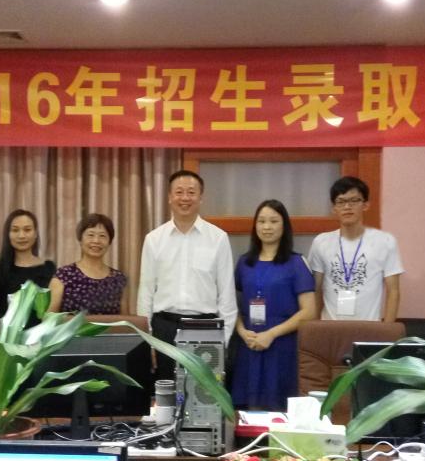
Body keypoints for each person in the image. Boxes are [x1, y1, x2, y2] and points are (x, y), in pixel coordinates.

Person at [136, 169, 238, 381]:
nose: (185, 198)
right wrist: (148, 340)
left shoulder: (218, 238)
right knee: (167, 394)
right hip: (164, 328)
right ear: (169, 197)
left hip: (206, 327)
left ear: (201, 197)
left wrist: (223, 340)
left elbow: (227, 296)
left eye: (191, 192)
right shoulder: (154, 239)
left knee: (202, 396)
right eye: (179, 192)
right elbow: (145, 293)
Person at [232, 200, 316, 410]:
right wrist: (241, 331)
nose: (267, 227)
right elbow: (231, 304)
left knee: (279, 409)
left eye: (273, 221)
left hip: (282, 345)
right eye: (261, 221)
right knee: (247, 410)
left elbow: (309, 311)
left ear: (284, 225)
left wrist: (271, 334)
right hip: (249, 343)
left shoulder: (296, 263)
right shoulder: (244, 262)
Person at [308, 176, 403, 322]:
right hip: (330, 327)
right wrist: (315, 327)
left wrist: (387, 330)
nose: (347, 207)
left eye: (354, 200)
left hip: (369, 328)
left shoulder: (385, 241)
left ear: (365, 205)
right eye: (341, 201)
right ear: (334, 208)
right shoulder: (321, 242)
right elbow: (316, 289)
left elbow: (393, 291)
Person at [48, 213, 127, 314]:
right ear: (80, 239)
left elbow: (125, 320)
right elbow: (49, 318)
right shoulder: (64, 275)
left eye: (102, 236)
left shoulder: (118, 279)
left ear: (109, 242)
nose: (96, 241)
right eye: (90, 235)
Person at [0, 209, 56, 322]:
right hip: (9, 333)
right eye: (15, 230)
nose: (21, 235)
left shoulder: (49, 268)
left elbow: (55, 309)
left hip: (46, 332)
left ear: (35, 234)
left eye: (27, 230)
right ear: (8, 235)